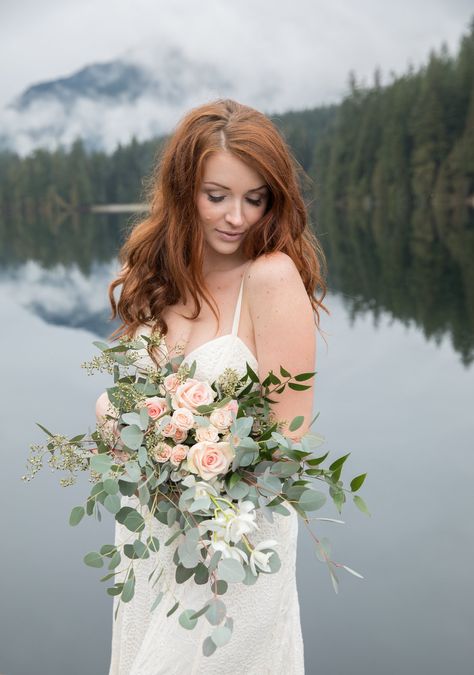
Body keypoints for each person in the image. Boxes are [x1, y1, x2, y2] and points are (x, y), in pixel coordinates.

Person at [104, 98, 328, 674]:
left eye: (255, 199)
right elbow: (133, 408)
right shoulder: (147, 280)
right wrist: (113, 416)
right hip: (151, 541)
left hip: (236, 554)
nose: (236, 217)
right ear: (183, 192)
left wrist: (199, 450)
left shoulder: (271, 279)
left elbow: (288, 441)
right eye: (216, 196)